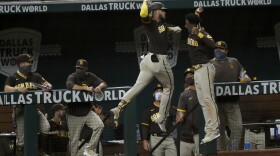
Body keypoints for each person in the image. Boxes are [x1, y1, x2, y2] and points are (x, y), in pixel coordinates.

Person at [111, 0, 181, 132]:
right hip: (159, 59)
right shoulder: (150, 22)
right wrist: (145, 2)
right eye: (162, 10)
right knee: (169, 87)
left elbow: (164, 27)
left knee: (138, 86)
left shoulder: (161, 24)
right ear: (155, 12)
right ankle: (162, 117)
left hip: (149, 61)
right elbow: (143, 13)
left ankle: (118, 107)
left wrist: (172, 28)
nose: (165, 12)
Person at [4, 53, 52, 156]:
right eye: (28, 62)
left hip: (34, 109)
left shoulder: (36, 76)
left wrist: (48, 86)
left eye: (31, 62)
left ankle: (39, 150)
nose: (30, 64)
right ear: (21, 64)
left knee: (46, 128)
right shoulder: (13, 77)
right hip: (20, 110)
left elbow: (47, 84)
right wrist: (17, 88)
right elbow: (6, 89)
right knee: (21, 141)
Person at [185, 7, 220, 144]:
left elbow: (213, 45)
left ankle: (214, 129)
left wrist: (199, 34)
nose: (185, 24)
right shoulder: (192, 31)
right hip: (197, 71)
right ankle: (209, 129)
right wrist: (197, 13)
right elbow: (195, 19)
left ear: (191, 24)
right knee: (203, 102)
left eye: (186, 22)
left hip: (205, 68)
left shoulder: (202, 33)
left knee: (208, 99)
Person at [210, 41, 251, 150]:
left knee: (237, 128)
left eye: (221, 48)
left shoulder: (234, 61)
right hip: (217, 103)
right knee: (219, 130)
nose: (218, 50)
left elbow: (243, 74)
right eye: (216, 48)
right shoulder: (210, 64)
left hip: (232, 102)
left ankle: (232, 150)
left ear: (226, 51)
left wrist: (245, 77)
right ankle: (222, 151)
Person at [66, 59, 107, 156]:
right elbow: (69, 85)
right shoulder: (73, 76)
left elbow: (104, 83)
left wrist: (99, 87)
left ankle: (89, 149)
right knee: (74, 140)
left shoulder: (90, 76)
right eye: (77, 68)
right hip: (73, 113)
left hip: (87, 111)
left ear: (86, 69)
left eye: (81, 68)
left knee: (99, 126)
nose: (79, 70)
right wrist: (86, 88)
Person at [141, 84, 177, 156]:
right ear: (153, 94)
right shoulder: (148, 109)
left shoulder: (169, 107)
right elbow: (145, 126)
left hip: (169, 138)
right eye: (157, 91)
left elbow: (179, 115)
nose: (159, 92)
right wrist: (145, 140)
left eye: (161, 91)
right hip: (155, 139)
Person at [176, 68, 199, 156]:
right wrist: (180, 116)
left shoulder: (204, 92)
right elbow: (180, 114)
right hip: (185, 136)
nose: (189, 77)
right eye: (187, 76)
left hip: (199, 135)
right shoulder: (184, 95)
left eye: (191, 75)